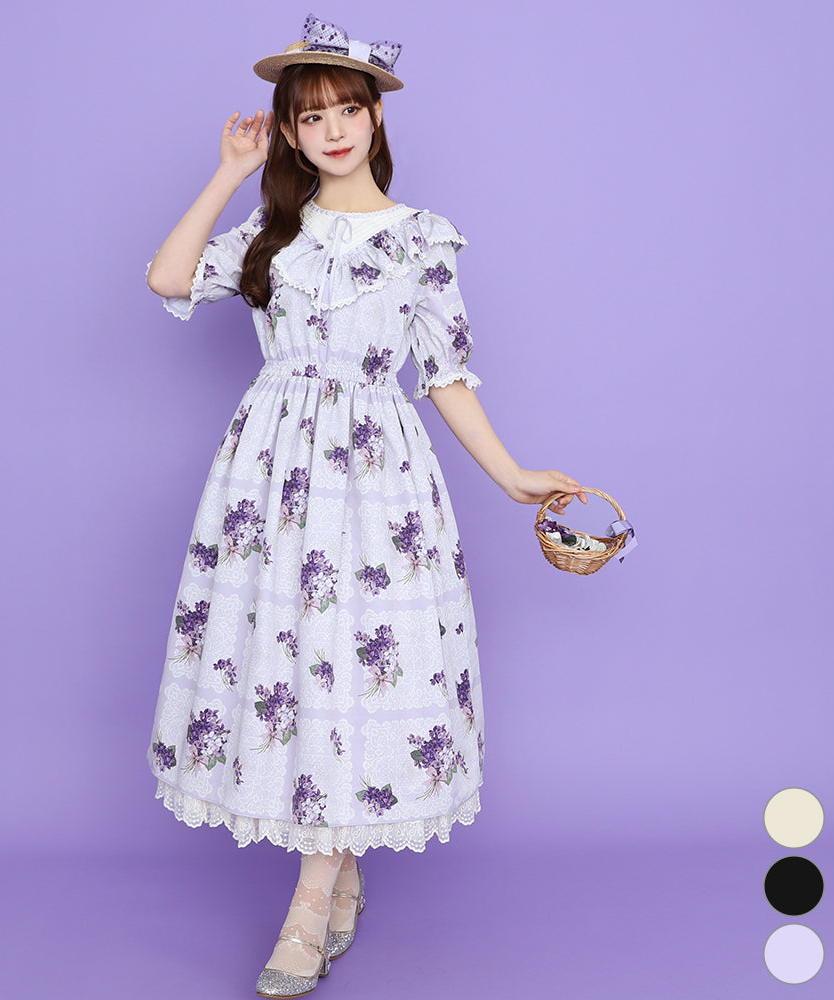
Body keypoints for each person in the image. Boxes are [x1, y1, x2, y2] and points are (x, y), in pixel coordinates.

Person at [145, 14, 585, 998]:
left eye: (349, 109)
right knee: (295, 671)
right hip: (271, 481)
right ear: (289, 132)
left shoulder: (423, 239)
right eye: (312, 116)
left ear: (376, 118)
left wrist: (513, 475)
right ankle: (336, 879)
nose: (334, 129)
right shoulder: (274, 234)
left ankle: (308, 906)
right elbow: (168, 277)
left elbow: (446, 375)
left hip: (377, 486)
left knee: (352, 673)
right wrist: (229, 173)